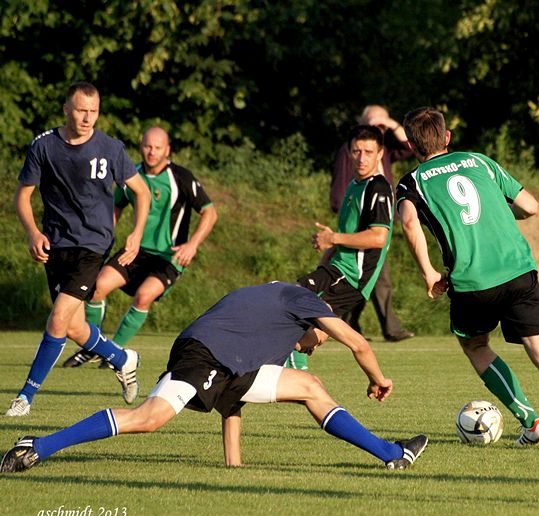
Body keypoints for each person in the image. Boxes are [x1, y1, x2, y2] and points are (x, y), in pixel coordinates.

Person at [0, 282, 428, 473]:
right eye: (320, 339)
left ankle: (391, 453)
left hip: (217, 357)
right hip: (203, 354)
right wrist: (379, 379)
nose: (317, 345)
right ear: (317, 321)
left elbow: (232, 396)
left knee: (310, 387)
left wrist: (233, 466)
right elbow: (359, 344)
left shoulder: (268, 320)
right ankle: (38, 445)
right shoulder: (303, 302)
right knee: (149, 418)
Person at [396, 106, 539, 452]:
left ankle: (532, 421)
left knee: (476, 346)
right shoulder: (480, 161)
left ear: (411, 145)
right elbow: (530, 206)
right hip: (519, 270)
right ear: (448, 137)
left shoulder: (413, 181)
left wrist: (429, 273)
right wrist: (499, 211)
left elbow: (409, 224)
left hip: (472, 282)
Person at [6, 82, 151, 417]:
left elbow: (141, 193)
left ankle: (25, 397)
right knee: (71, 327)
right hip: (57, 245)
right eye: (82, 110)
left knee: (57, 318)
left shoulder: (111, 148)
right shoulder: (44, 146)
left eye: (94, 111)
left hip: (94, 245)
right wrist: (32, 233)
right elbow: (23, 196)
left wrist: (136, 234)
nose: (88, 118)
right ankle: (121, 358)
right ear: (66, 109)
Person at [62, 126, 218, 369]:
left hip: (169, 256)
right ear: (140, 146)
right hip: (136, 252)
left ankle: (112, 352)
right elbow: (116, 206)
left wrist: (192, 244)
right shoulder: (131, 174)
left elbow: (209, 212)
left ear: (167, 150)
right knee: (97, 288)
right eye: (147, 146)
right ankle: (94, 347)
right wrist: (105, 236)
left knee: (143, 296)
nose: (151, 152)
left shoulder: (181, 178)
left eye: (157, 148)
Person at [287, 124, 401, 370]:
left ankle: (293, 364)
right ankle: (296, 362)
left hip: (353, 275)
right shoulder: (354, 185)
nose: (362, 158)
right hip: (338, 268)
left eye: (368, 152)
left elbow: (378, 237)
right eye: (357, 151)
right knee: (313, 317)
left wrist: (334, 239)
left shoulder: (378, 188)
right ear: (349, 152)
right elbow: (345, 235)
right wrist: (327, 253)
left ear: (380, 154)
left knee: (300, 305)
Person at [330, 105, 414, 343]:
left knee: (371, 277)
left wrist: (393, 124)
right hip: (361, 223)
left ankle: (349, 322)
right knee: (372, 276)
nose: (363, 156)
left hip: (380, 217)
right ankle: (383, 327)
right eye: (372, 123)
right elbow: (341, 191)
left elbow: (411, 146)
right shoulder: (353, 152)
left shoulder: (382, 150)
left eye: (380, 125)